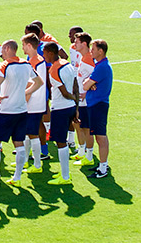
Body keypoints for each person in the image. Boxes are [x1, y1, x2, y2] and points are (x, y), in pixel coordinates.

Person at [0, 40, 42, 188]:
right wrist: (26, 93)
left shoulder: (5, 65)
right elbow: (39, 82)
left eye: (2, 51)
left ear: (6, 49)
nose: (1, 55)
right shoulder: (26, 64)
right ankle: (17, 177)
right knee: (19, 143)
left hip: (7, 110)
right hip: (22, 110)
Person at [44, 42, 78, 185]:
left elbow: (64, 92)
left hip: (60, 109)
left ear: (51, 53)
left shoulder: (53, 70)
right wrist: (75, 103)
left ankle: (65, 176)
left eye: (45, 53)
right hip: (70, 108)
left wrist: (72, 97)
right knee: (62, 141)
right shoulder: (67, 64)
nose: (44, 56)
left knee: (60, 142)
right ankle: (64, 173)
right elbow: (75, 83)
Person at [84, 39, 113, 178]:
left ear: (101, 51)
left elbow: (85, 85)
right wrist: (90, 84)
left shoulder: (102, 67)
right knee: (98, 136)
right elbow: (88, 84)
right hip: (95, 105)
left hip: (98, 105)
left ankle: (103, 168)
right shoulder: (100, 65)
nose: (91, 51)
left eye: (93, 49)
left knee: (100, 137)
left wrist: (89, 84)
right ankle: (102, 164)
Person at [20, 33, 47, 173]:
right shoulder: (36, 59)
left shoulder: (34, 62)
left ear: (29, 45)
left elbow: (32, 83)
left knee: (32, 133)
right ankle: (25, 160)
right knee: (27, 133)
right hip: (36, 102)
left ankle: (37, 165)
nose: (22, 48)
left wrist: (24, 97)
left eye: (24, 45)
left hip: (33, 104)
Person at [72, 32, 96, 166]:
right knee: (77, 123)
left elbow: (95, 77)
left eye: (77, 42)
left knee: (86, 127)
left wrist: (86, 92)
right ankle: (82, 150)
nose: (75, 44)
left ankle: (89, 154)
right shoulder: (83, 58)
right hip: (79, 99)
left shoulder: (89, 59)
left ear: (84, 44)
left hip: (86, 101)